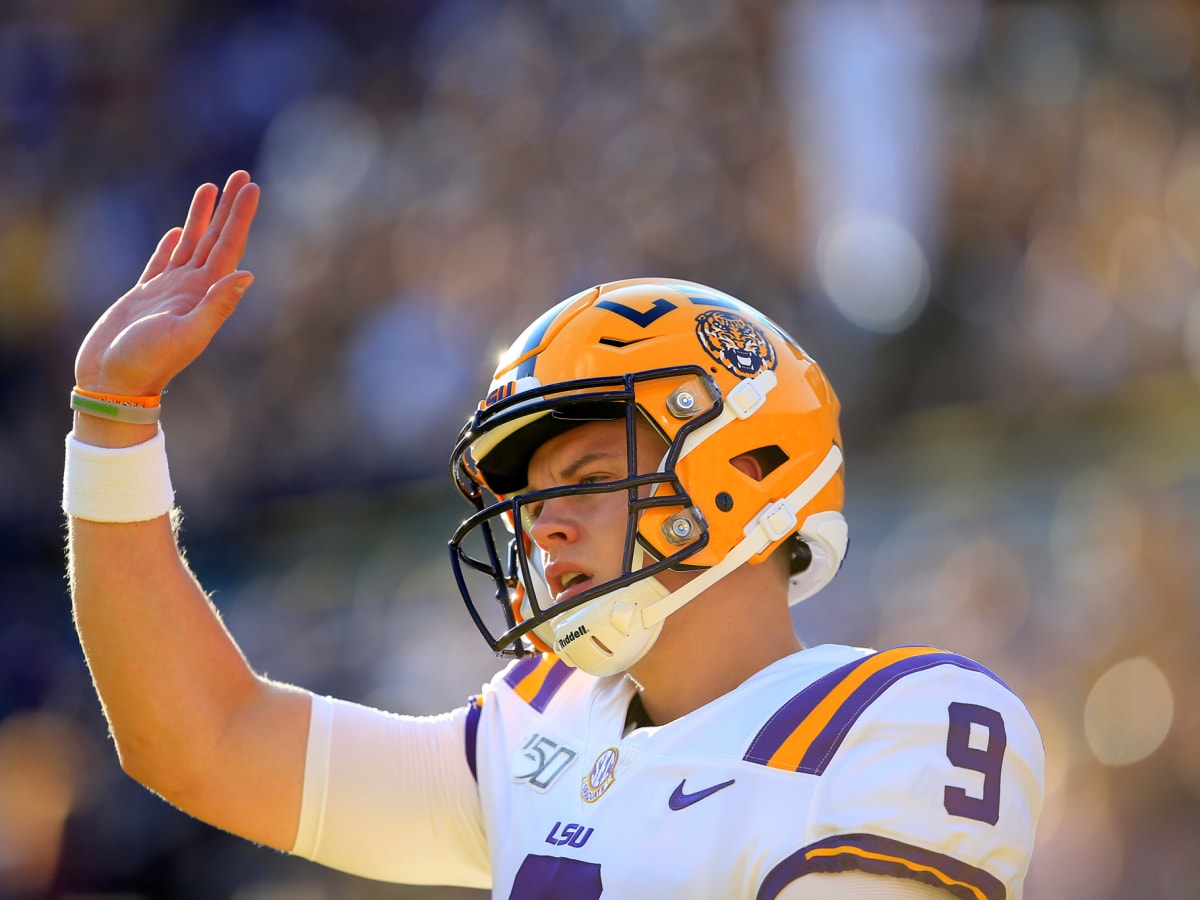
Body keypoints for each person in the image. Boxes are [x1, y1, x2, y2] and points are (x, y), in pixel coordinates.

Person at [64, 171, 1044, 899]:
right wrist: (112, 425)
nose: (544, 527)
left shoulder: (903, 724)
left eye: (584, 478)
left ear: (745, 468)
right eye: (529, 503)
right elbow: (203, 738)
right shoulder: (537, 727)